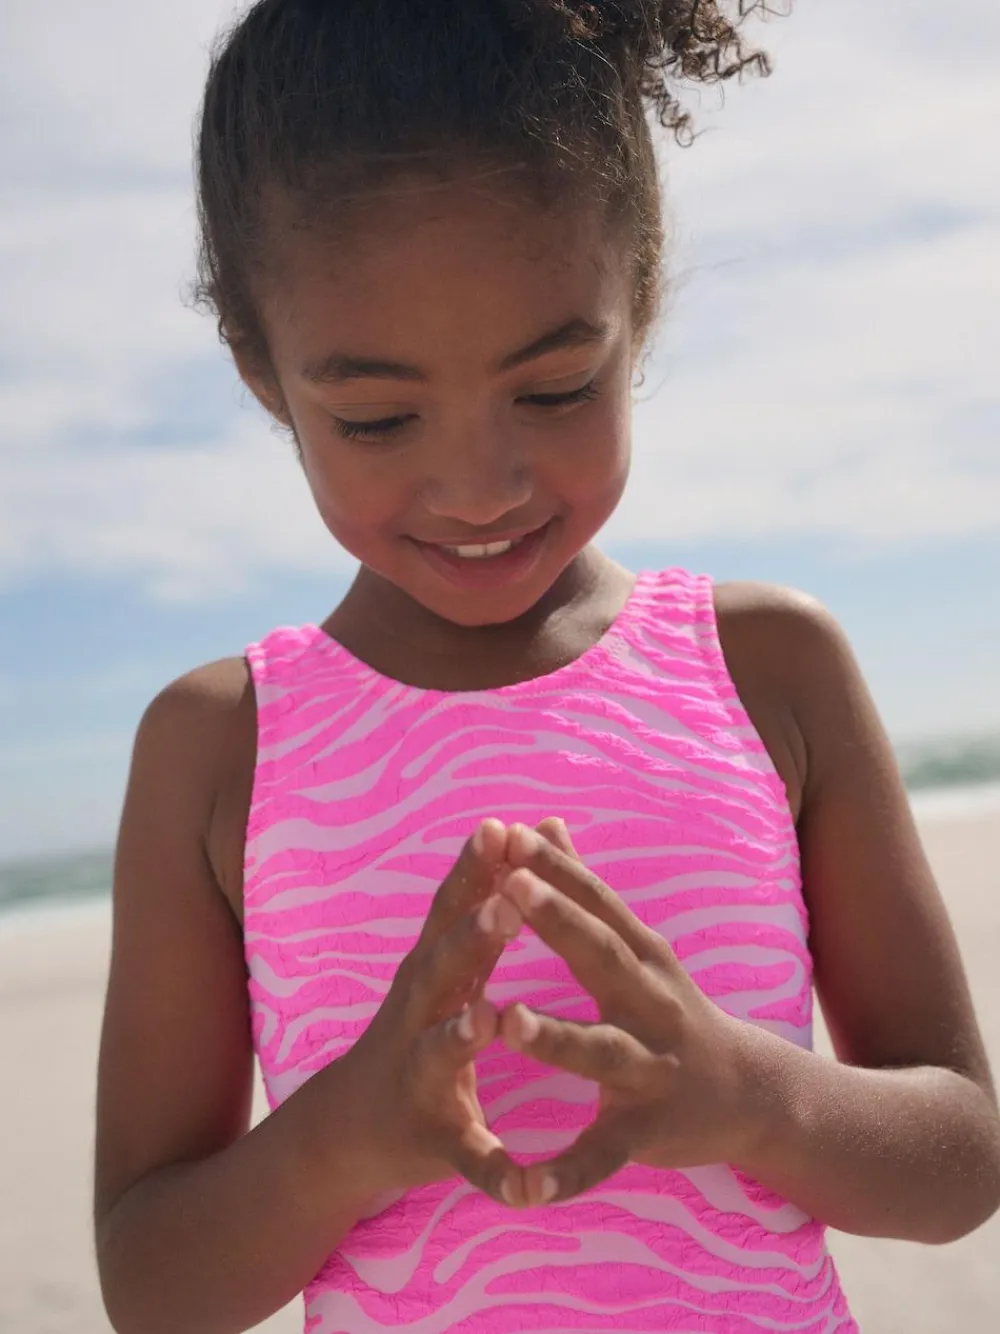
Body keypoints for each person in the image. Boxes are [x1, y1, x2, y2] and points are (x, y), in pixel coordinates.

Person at [92, 2, 1000, 1332]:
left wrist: (753, 1095)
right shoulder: (222, 746)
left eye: (557, 387)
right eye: (380, 417)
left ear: (634, 302)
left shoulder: (768, 668)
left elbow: (963, 1154)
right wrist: (345, 1134)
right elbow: (151, 1283)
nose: (479, 484)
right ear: (265, 374)